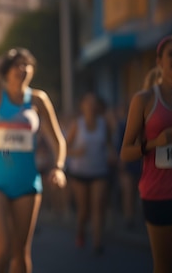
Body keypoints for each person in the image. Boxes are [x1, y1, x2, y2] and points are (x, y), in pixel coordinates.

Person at [0, 47, 66, 273]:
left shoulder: (38, 100)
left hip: (27, 183)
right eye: (18, 65)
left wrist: (58, 167)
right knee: (2, 248)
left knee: (21, 251)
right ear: (7, 71)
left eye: (28, 64)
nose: (23, 69)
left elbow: (58, 141)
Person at [120, 35, 172, 273]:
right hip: (160, 193)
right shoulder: (144, 99)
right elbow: (125, 153)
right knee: (165, 265)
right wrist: (154, 142)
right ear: (159, 60)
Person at [65, 92, 115, 254]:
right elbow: (64, 149)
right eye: (88, 103)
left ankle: (97, 242)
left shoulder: (103, 123)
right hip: (80, 172)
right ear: (83, 106)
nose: (91, 106)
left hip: (99, 170)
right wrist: (75, 152)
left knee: (98, 206)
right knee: (84, 209)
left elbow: (108, 143)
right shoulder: (76, 124)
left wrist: (112, 153)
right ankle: (81, 230)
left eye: (94, 103)